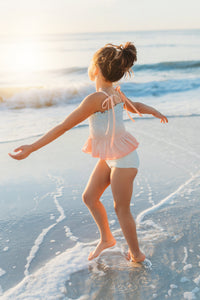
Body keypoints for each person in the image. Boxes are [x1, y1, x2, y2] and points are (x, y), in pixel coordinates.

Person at [9, 42, 168, 263]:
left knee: (121, 208)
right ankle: (107, 239)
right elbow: (136, 106)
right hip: (112, 155)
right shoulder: (114, 92)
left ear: (96, 68)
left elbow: (63, 127)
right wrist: (154, 111)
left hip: (124, 160)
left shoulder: (95, 99)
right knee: (90, 197)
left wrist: (32, 148)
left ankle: (137, 254)